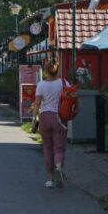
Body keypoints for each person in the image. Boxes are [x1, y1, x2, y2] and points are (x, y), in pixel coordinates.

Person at [31, 58, 67, 188]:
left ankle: (50, 179)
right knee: (59, 147)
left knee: (47, 148)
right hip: (59, 118)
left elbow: (37, 103)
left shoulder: (41, 84)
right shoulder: (63, 83)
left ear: (45, 71)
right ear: (57, 70)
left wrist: (34, 119)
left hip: (45, 117)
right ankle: (58, 167)